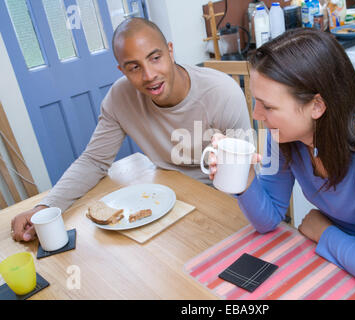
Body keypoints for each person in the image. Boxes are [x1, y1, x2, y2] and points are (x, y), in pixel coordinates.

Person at [208, 28, 355, 295]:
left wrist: (324, 233)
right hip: (341, 263)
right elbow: (267, 220)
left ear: (316, 106)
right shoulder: (283, 136)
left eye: (268, 106)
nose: (257, 114)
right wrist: (243, 176)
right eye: (256, 101)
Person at [11, 18, 251, 242]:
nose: (149, 76)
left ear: (170, 50)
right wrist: (44, 207)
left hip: (218, 199)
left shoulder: (222, 93)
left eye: (155, 58)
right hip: (166, 200)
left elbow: (246, 174)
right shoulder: (119, 97)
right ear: (122, 70)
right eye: (134, 67)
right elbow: (94, 160)